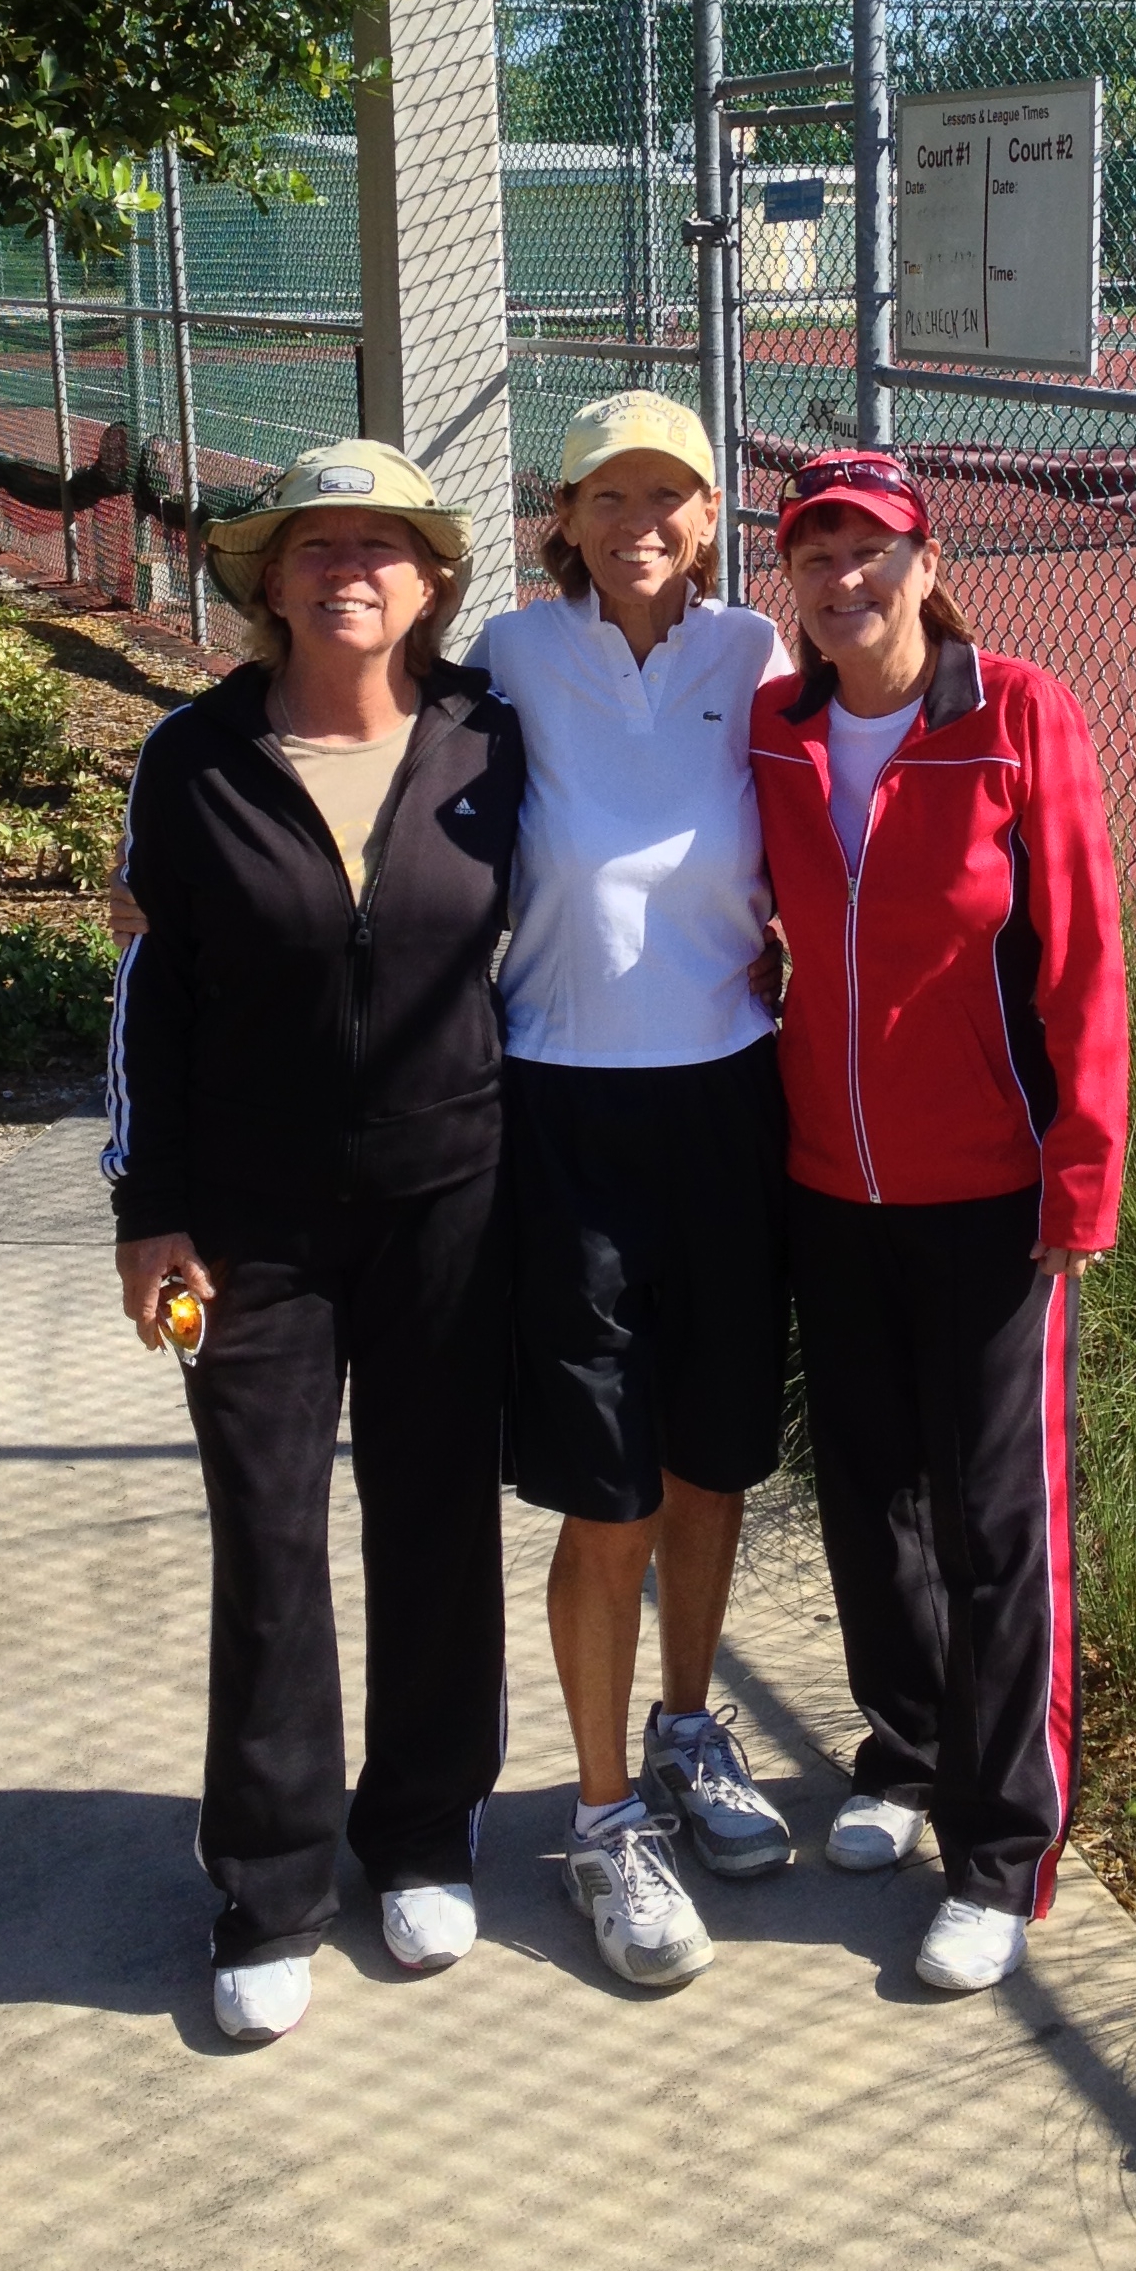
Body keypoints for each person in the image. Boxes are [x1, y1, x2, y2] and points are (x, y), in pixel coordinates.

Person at [103, 439, 522, 2044]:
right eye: (313, 546)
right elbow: (152, 989)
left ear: (429, 582)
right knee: (267, 1540)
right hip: (249, 1230)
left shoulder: (494, 738)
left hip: (455, 1203)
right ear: (267, 580)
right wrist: (151, 1212)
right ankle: (269, 1883)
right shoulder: (192, 758)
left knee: (435, 1523)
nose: (348, 569)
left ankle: (420, 1831)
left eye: (384, 545)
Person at [749, 450, 1128, 1996]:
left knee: (995, 1527)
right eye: (816, 556)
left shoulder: (1018, 714)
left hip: (992, 1196)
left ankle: (999, 1846)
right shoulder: (774, 731)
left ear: (927, 557)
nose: (846, 582)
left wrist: (1080, 1173)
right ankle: (901, 1759)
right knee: (865, 1499)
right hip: (827, 1182)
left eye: (873, 552)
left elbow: (1086, 960)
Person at [483, 388, 795, 1993]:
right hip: (562, 1116)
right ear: (569, 518)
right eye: (614, 497)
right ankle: (603, 1821)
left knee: (710, 1465)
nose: (644, 523)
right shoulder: (510, 654)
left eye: (672, 493)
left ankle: (686, 1734)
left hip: (732, 1104)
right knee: (605, 1498)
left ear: (712, 514)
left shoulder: (756, 653)